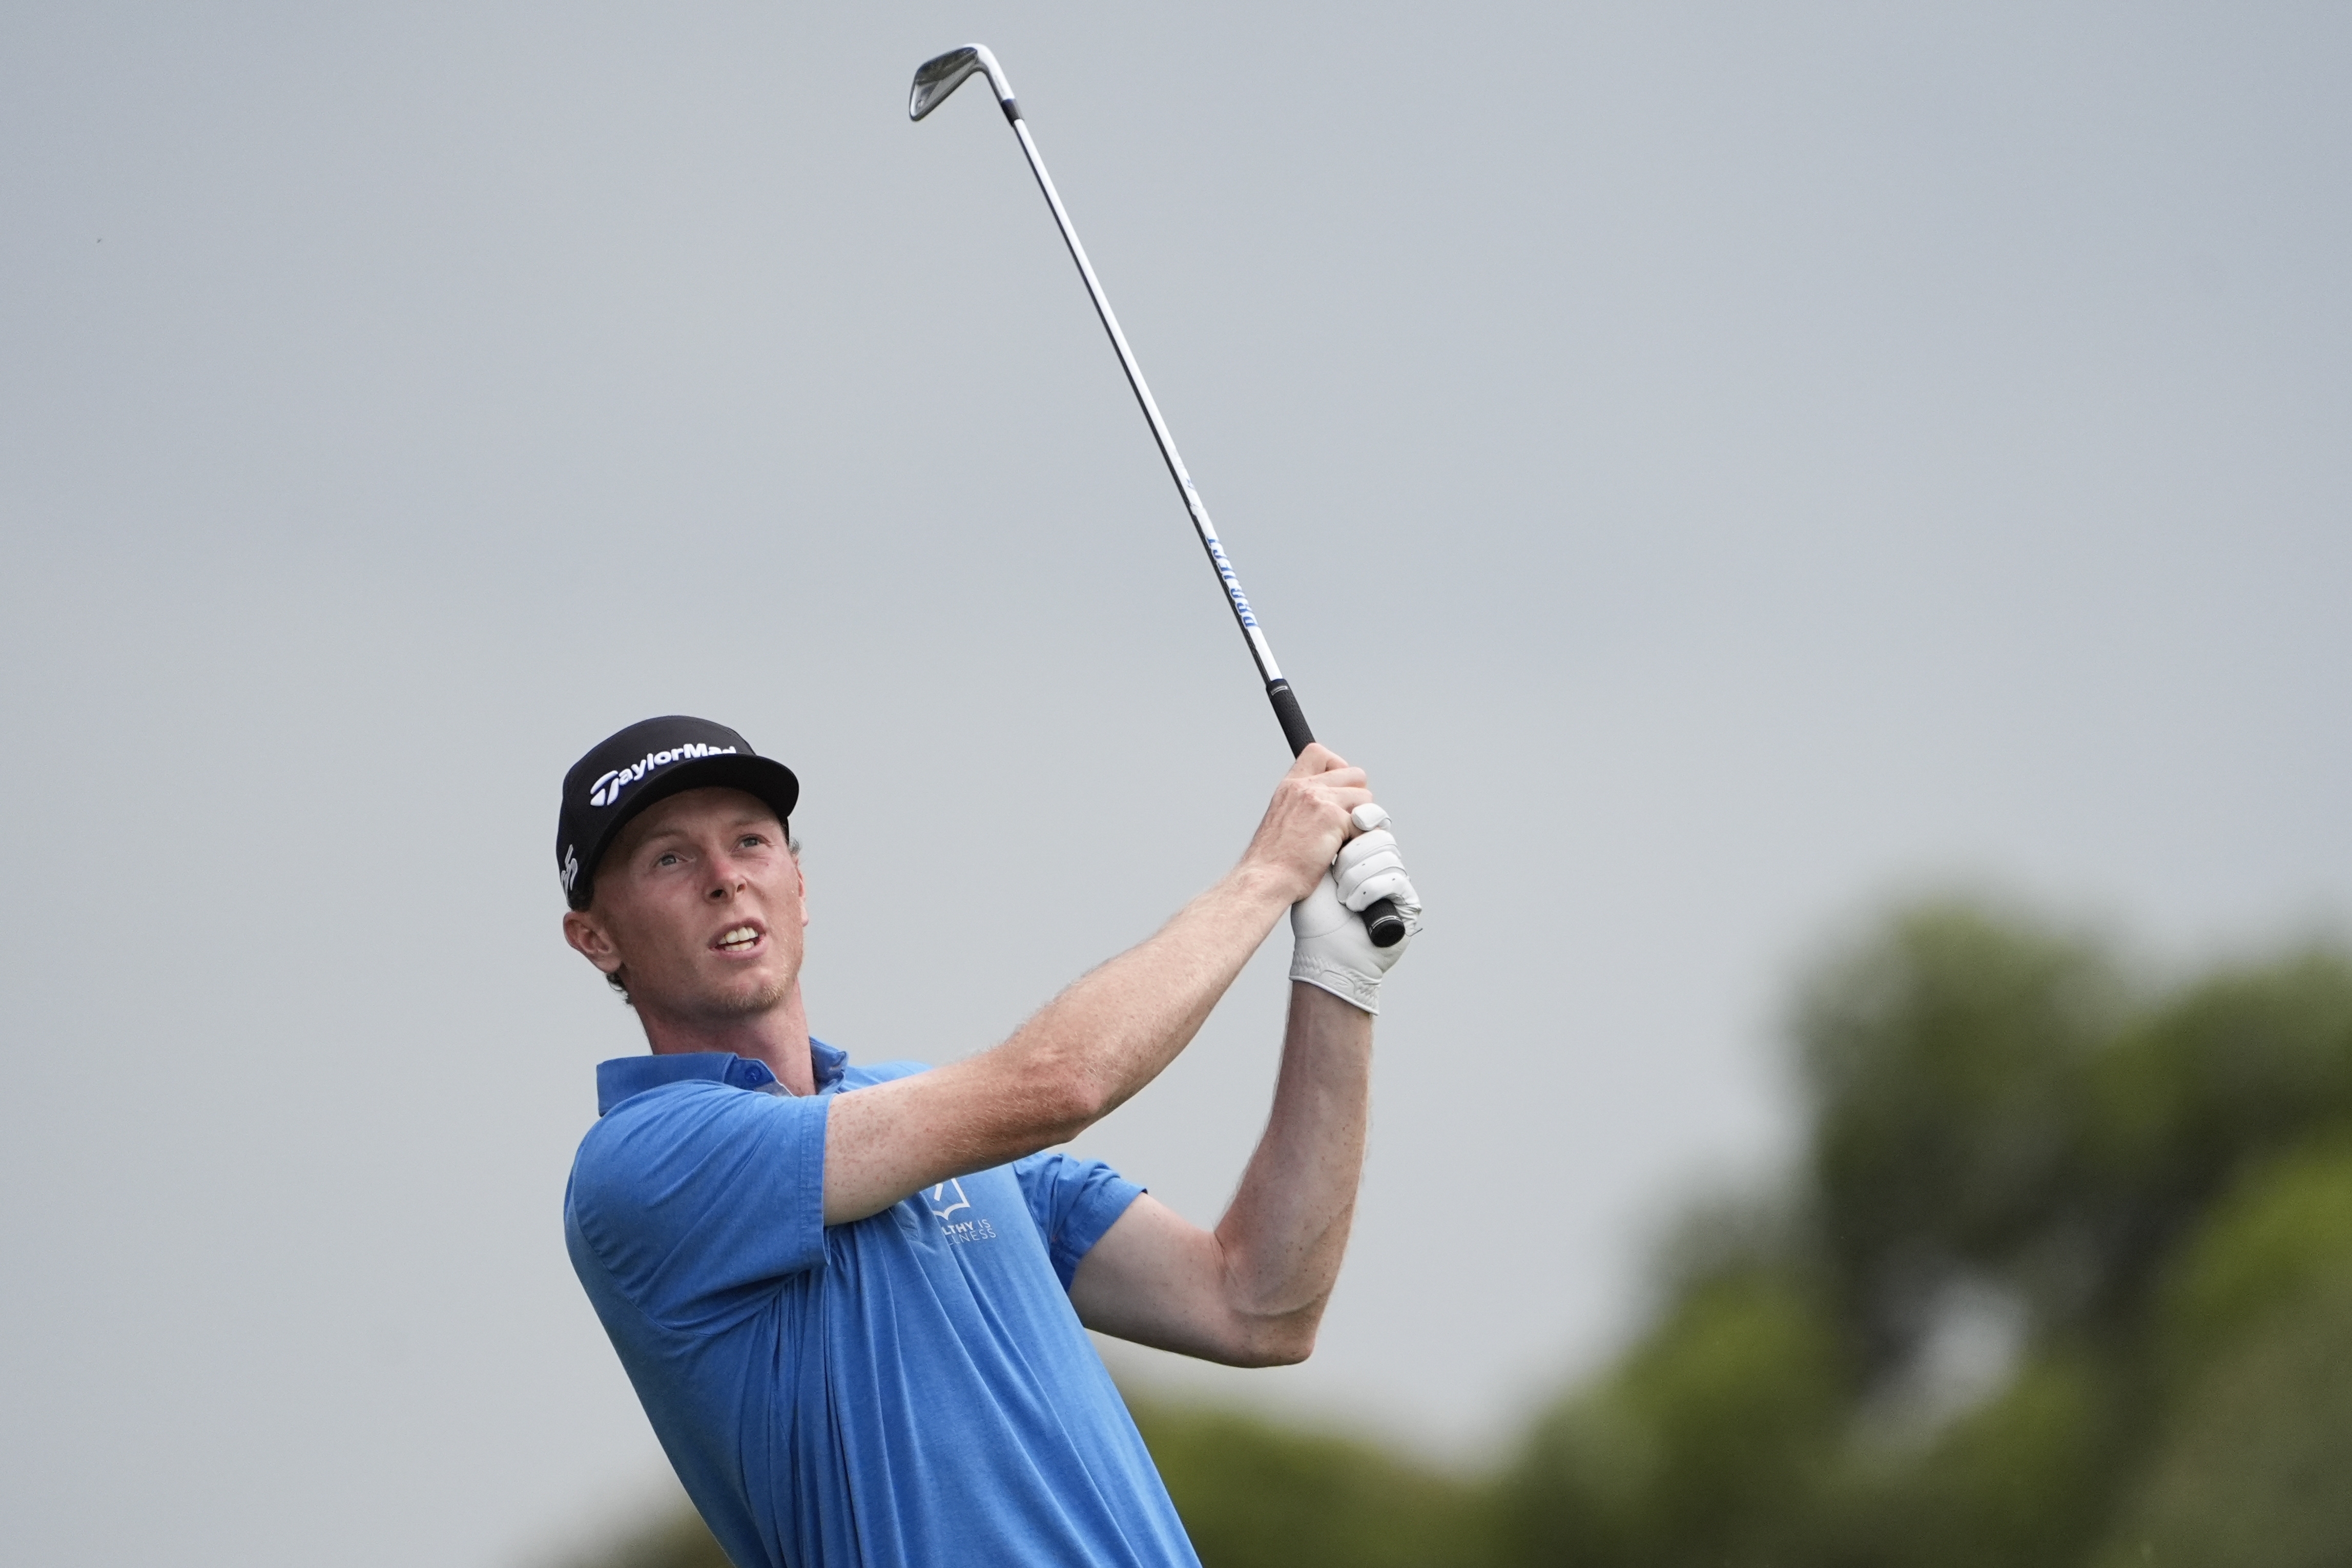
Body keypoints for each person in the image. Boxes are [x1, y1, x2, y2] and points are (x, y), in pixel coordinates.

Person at [555, 714, 1421, 1568]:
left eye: (751, 842)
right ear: (595, 938)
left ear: (800, 886)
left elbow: (1256, 1307)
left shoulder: (926, 1119)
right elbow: (1060, 1083)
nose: (724, 879)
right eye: (669, 858)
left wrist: (1337, 980)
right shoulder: (643, 1163)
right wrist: (1266, 874)